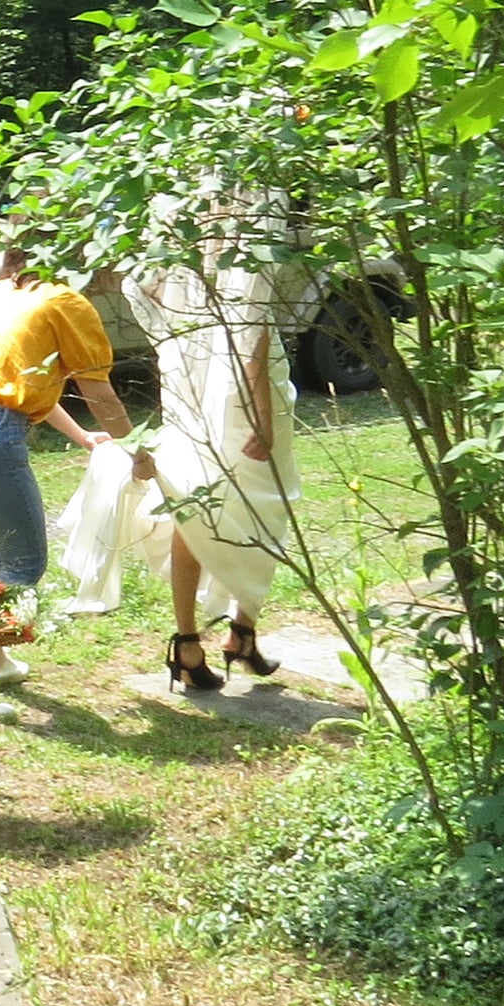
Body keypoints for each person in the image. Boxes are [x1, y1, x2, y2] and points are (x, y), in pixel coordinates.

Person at [0, 245, 150, 721]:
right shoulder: (66, 301)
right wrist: (140, 449)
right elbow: (97, 388)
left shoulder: (6, 292)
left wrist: (83, 435)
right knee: (24, 561)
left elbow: (16, 382)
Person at [126, 247, 298, 691]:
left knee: (196, 504)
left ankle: (204, 640)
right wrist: (262, 411)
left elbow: (140, 287)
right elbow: (254, 327)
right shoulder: (243, 225)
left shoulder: (173, 228)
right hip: (232, 389)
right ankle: (232, 634)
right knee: (265, 506)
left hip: (191, 376)